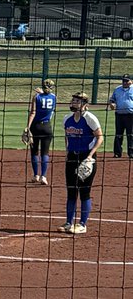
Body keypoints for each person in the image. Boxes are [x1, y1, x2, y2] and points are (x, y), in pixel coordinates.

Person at [62, 92, 103, 235]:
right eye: (73, 100)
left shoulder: (90, 118)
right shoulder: (67, 119)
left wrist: (90, 157)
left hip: (87, 157)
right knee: (71, 191)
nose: (73, 103)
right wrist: (68, 152)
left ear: (84, 105)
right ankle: (68, 222)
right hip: (72, 157)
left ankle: (82, 224)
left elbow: (100, 137)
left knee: (85, 191)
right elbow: (66, 137)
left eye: (77, 101)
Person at [23, 79, 57, 184]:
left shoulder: (36, 97)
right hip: (47, 127)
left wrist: (27, 127)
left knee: (34, 152)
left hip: (36, 126)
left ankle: (35, 176)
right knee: (45, 153)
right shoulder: (54, 97)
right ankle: (44, 177)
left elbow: (33, 112)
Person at [107, 74, 133, 159]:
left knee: (131, 135)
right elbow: (112, 99)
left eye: (127, 81)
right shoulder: (117, 89)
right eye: (123, 81)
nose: (125, 82)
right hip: (119, 115)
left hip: (131, 115)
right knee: (118, 134)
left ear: (131, 81)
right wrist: (111, 103)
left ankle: (131, 153)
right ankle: (117, 153)